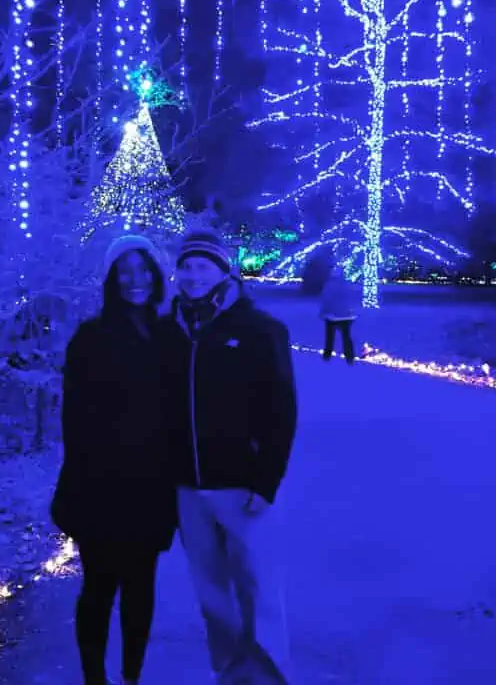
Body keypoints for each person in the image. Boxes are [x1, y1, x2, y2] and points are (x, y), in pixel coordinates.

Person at [159, 228, 298, 684]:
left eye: (204, 266)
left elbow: (281, 410)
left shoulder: (259, 330)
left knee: (258, 584)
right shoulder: (168, 331)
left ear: (224, 271)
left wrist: (266, 480)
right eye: (187, 266)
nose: (194, 275)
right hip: (187, 487)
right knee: (210, 589)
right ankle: (230, 672)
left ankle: (268, 674)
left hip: (241, 485)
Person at [50, 235, 178, 685]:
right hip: (100, 487)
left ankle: (130, 677)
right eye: (125, 272)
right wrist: (86, 480)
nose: (135, 280)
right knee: (99, 588)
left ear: (157, 277)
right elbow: (74, 421)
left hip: (153, 487)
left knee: (141, 589)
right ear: (111, 279)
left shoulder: (170, 335)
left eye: (144, 270)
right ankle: (94, 679)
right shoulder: (91, 337)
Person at [319, 266, 361, 364]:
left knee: (330, 337)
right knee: (347, 337)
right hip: (347, 316)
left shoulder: (329, 285)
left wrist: (323, 312)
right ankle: (350, 357)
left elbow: (326, 300)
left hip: (332, 316)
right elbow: (352, 299)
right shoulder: (347, 285)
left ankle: (327, 356)